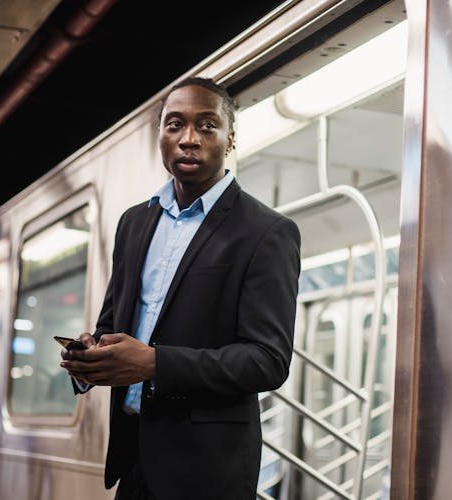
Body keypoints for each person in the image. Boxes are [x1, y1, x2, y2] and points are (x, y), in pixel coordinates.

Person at [60, 76, 300, 500]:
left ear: (229, 141)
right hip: (132, 463)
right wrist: (90, 358)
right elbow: (112, 325)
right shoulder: (134, 223)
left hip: (206, 474)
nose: (188, 138)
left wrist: (155, 364)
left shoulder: (266, 232)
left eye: (207, 126)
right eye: (175, 124)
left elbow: (267, 361)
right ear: (161, 137)